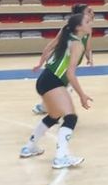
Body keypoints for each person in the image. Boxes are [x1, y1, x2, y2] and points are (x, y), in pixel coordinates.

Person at [21, 13, 93, 169]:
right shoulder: (77, 44)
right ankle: (61, 157)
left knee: (54, 116)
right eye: (87, 22)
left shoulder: (67, 37)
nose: (90, 24)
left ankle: (29, 147)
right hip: (53, 81)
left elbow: (50, 52)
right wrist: (82, 95)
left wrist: (40, 63)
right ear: (78, 27)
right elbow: (70, 74)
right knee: (71, 118)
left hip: (45, 79)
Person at [32, 4, 96, 115]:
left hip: (67, 67)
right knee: (63, 89)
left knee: (63, 88)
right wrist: (40, 63)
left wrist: (89, 57)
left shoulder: (87, 31)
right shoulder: (68, 30)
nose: (92, 13)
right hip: (59, 66)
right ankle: (47, 108)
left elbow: (88, 47)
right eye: (89, 11)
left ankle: (49, 109)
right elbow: (50, 46)